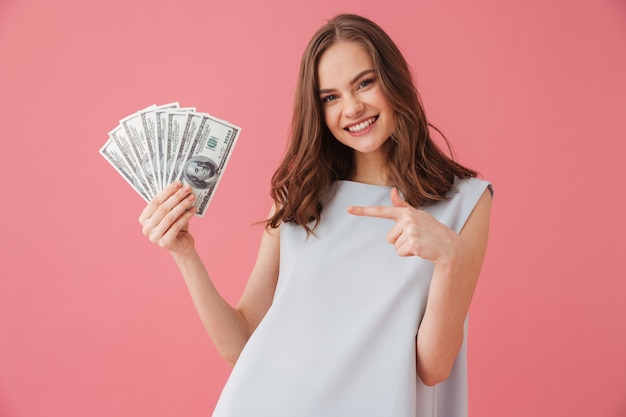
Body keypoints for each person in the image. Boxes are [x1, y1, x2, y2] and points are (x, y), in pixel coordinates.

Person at [139, 13, 492, 417]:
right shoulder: (299, 197)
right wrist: (185, 253)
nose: (353, 107)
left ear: (394, 80)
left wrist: (449, 258)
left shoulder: (465, 203)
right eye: (331, 97)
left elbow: (433, 368)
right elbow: (243, 344)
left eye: (365, 82)